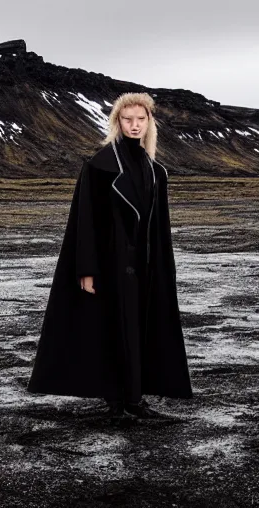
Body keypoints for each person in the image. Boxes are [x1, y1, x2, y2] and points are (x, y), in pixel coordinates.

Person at [27, 92, 193, 424]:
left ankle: (128, 398)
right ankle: (125, 401)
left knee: (138, 330)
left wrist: (162, 268)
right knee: (114, 329)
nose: (134, 125)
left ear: (149, 123)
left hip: (144, 266)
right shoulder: (100, 166)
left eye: (140, 120)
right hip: (111, 263)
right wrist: (86, 269)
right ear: (118, 122)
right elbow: (84, 220)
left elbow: (158, 226)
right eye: (128, 119)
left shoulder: (154, 170)